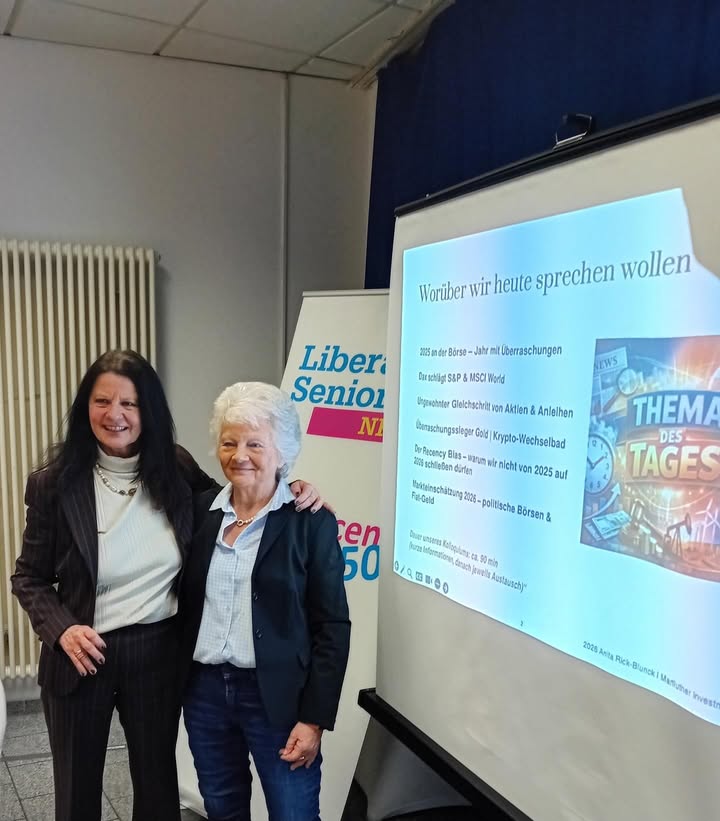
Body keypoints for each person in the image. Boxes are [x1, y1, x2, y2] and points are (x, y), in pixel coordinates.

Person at [11, 350, 321, 821]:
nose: (114, 414)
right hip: (80, 653)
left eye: (129, 403)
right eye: (102, 401)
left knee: (158, 790)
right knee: (75, 793)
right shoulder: (54, 484)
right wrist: (63, 629)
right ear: (85, 407)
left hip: (156, 653)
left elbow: (237, 498)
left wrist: (293, 489)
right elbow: (29, 577)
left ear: (149, 410)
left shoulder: (174, 467)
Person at [178, 381, 351, 821]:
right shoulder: (199, 513)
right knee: (222, 808)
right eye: (229, 442)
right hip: (205, 694)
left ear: (283, 450)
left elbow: (332, 627)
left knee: (293, 814)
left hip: (278, 699)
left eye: (255, 444)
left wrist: (313, 719)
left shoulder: (309, 522)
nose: (240, 455)